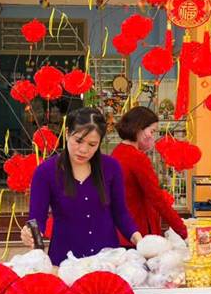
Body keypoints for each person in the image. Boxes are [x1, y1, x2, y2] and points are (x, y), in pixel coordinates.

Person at [21, 107, 142, 264]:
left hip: (106, 261)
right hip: (65, 262)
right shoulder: (45, 172)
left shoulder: (111, 168)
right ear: (67, 133)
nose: (84, 150)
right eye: (78, 141)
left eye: (92, 144)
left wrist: (139, 240)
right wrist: (30, 234)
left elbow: (121, 213)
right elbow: (37, 220)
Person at [111, 107, 188, 242]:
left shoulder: (117, 152)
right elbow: (156, 198)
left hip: (121, 230)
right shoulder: (137, 157)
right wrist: (183, 231)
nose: (153, 137)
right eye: (152, 131)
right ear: (139, 129)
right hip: (139, 232)